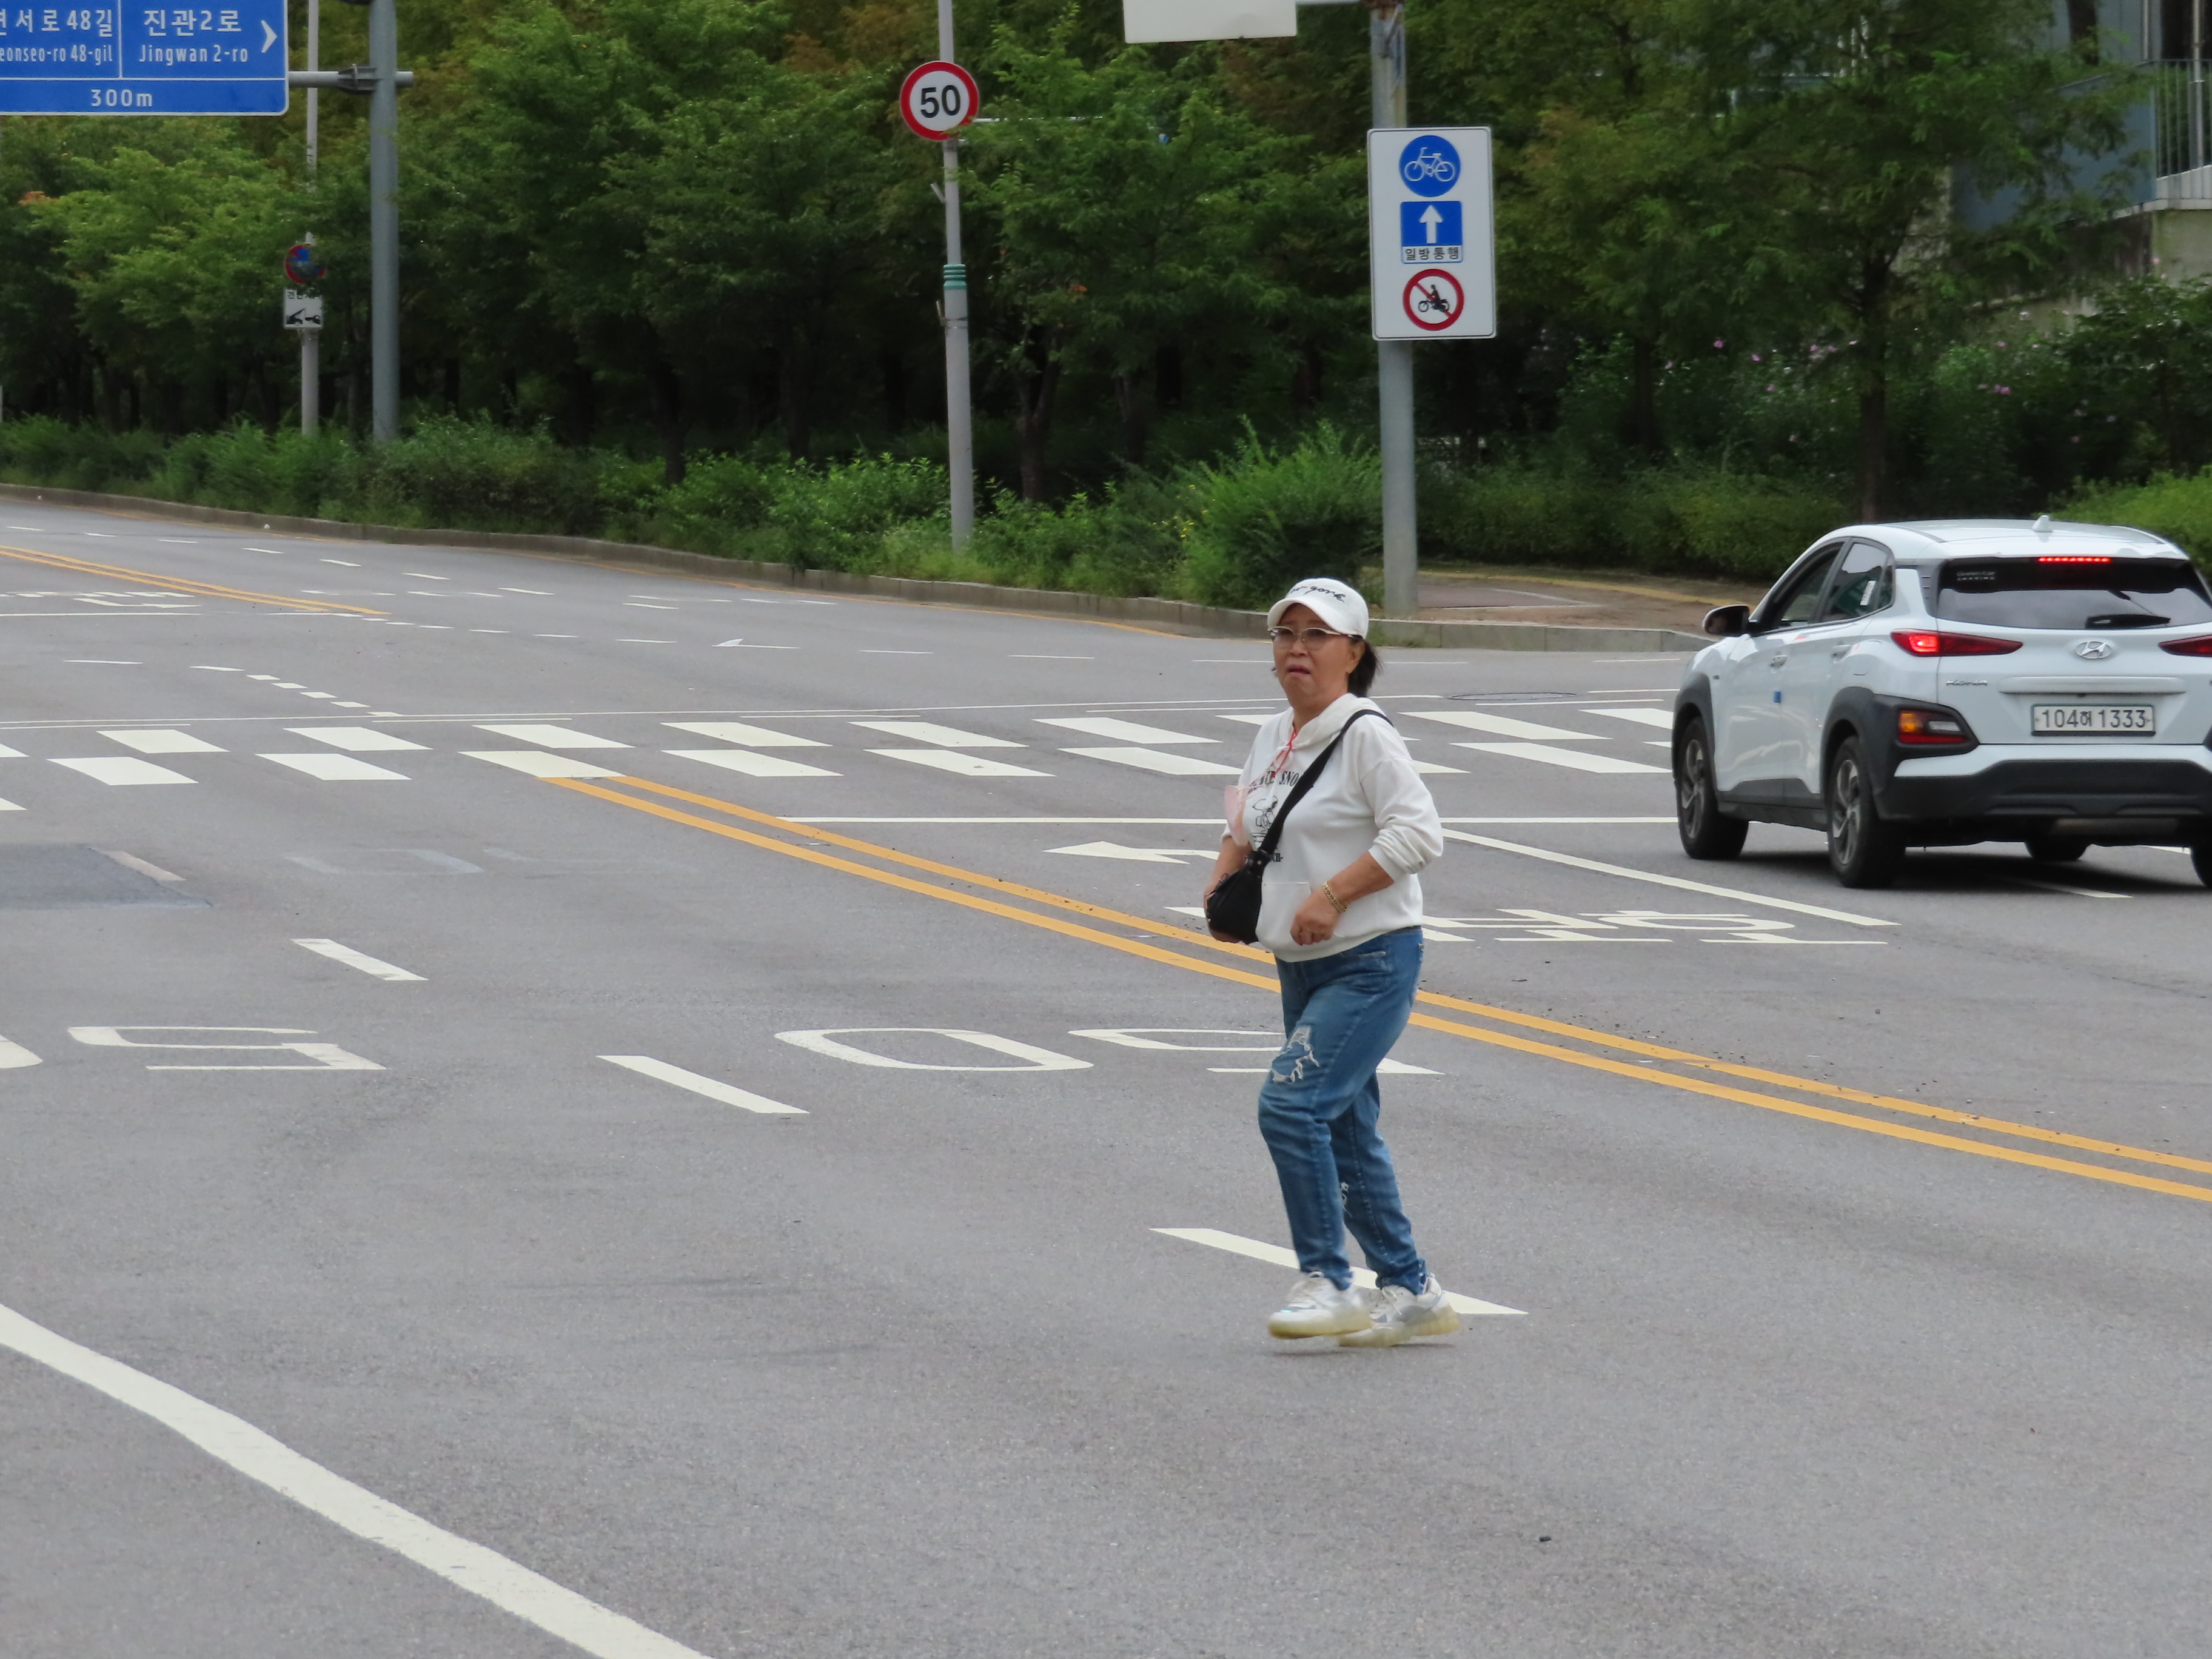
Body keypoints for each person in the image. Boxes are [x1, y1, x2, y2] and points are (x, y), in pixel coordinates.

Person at [1203, 576, 1456, 1347]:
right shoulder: (1275, 732)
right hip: (1302, 964)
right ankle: (1412, 1291)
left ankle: (1328, 1280)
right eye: (1286, 634)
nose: (1297, 649)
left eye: (1317, 635)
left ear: (1354, 652)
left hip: (1369, 959)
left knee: (1291, 1107)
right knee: (1343, 1128)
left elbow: (1419, 834)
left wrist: (1335, 895)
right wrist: (1221, 883)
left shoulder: (1365, 734)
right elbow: (1248, 820)